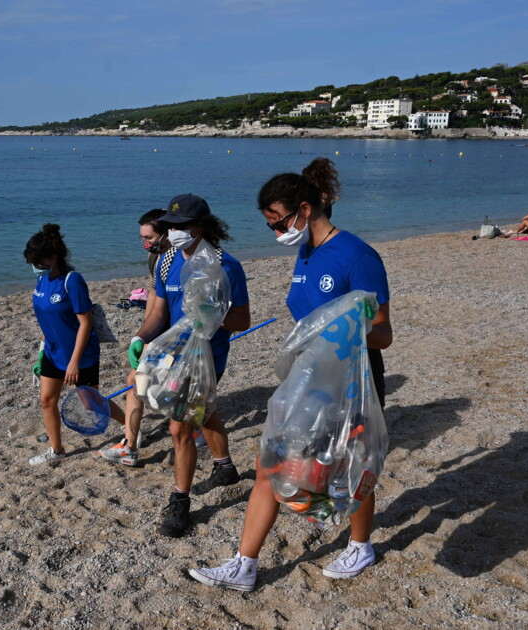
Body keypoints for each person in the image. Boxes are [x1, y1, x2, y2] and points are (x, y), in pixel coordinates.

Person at [189, 157, 392, 591]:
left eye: (279, 222)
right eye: (270, 227)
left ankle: (361, 544)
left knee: (352, 468)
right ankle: (244, 564)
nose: (277, 233)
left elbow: (384, 335)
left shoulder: (358, 256)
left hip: (352, 381)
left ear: (304, 209)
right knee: (270, 463)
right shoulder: (306, 252)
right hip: (306, 377)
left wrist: (340, 330)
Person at [128, 194, 251, 537]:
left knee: (180, 426)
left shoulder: (226, 266)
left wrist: (210, 316)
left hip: (207, 359)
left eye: (182, 226)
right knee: (203, 411)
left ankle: (180, 502)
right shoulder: (166, 262)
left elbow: (242, 319)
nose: (175, 231)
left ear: (201, 227)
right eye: (171, 225)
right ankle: (224, 467)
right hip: (170, 354)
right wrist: (140, 338)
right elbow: (156, 313)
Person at [25, 224, 122, 466]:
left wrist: (74, 362)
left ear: (52, 257)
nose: (33, 266)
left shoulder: (73, 281)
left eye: (36, 260)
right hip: (52, 352)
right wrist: (41, 349)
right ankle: (56, 449)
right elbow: (47, 316)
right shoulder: (43, 280)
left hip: (81, 355)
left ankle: (132, 428)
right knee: (47, 400)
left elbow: (85, 322)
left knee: (92, 402)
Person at [98, 209, 169, 466]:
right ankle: (130, 444)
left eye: (149, 238)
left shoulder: (179, 261)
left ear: (168, 233)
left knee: (144, 383)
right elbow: (153, 297)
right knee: (135, 381)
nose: (145, 243)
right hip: (158, 333)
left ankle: (131, 443)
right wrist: (143, 333)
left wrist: (153, 336)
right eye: (142, 238)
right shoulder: (155, 258)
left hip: (177, 336)